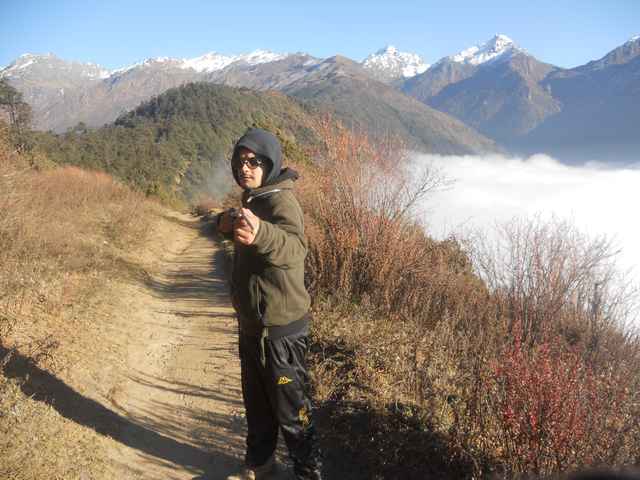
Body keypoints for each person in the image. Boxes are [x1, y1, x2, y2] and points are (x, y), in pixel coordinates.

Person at [218, 128, 322, 480]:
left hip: (281, 334)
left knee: (293, 412)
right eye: (240, 161)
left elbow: (295, 248)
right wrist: (227, 224)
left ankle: (309, 474)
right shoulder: (255, 198)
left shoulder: (281, 202)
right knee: (258, 408)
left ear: (271, 162)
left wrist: (262, 233)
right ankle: (261, 466)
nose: (245, 167)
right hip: (253, 327)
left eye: (254, 161)